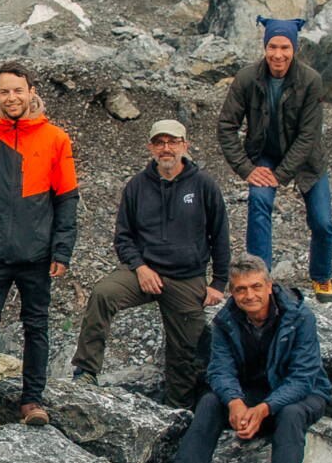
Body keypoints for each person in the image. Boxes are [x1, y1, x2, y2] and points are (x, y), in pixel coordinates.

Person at [0, 62, 79, 431]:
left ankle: (33, 401)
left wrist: (62, 250)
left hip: (37, 253)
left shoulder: (55, 138)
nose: (12, 98)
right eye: (5, 91)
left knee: (37, 326)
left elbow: (67, 199)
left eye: (18, 90)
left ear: (31, 92)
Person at [71, 118, 231, 400]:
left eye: (172, 142)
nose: (166, 148)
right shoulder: (136, 186)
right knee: (103, 294)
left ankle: (177, 408)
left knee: (187, 350)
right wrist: (141, 268)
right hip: (142, 272)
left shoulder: (204, 185)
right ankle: (86, 371)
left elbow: (219, 235)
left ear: (184, 145)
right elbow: (123, 237)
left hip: (187, 277)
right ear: (150, 147)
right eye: (160, 142)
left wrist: (218, 283)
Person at [171, 257, 332, 463]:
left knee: (291, 415)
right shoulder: (226, 320)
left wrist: (264, 409)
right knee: (210, 402)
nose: (249, 295)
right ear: (232, 292)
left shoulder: (299, 317)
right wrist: (235, 402)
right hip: (250, 391)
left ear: (269, 286)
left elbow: (304, 378)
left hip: (302, 394)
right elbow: (220, 370)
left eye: (256, 286)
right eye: (241, 289)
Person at [215, 19, 332, 301]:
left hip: (308, 159)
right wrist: (247, 169)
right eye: (272, 46)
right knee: (259, 202)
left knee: (323, 222)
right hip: (263, 154)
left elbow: (308, 136)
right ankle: (259, 280)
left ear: (295, 48)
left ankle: (321, 276)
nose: (278, 54)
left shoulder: (311, 81)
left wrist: (279, 176)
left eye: (285, 47)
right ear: (264, 47)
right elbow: (226, 126)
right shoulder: (247, 78)